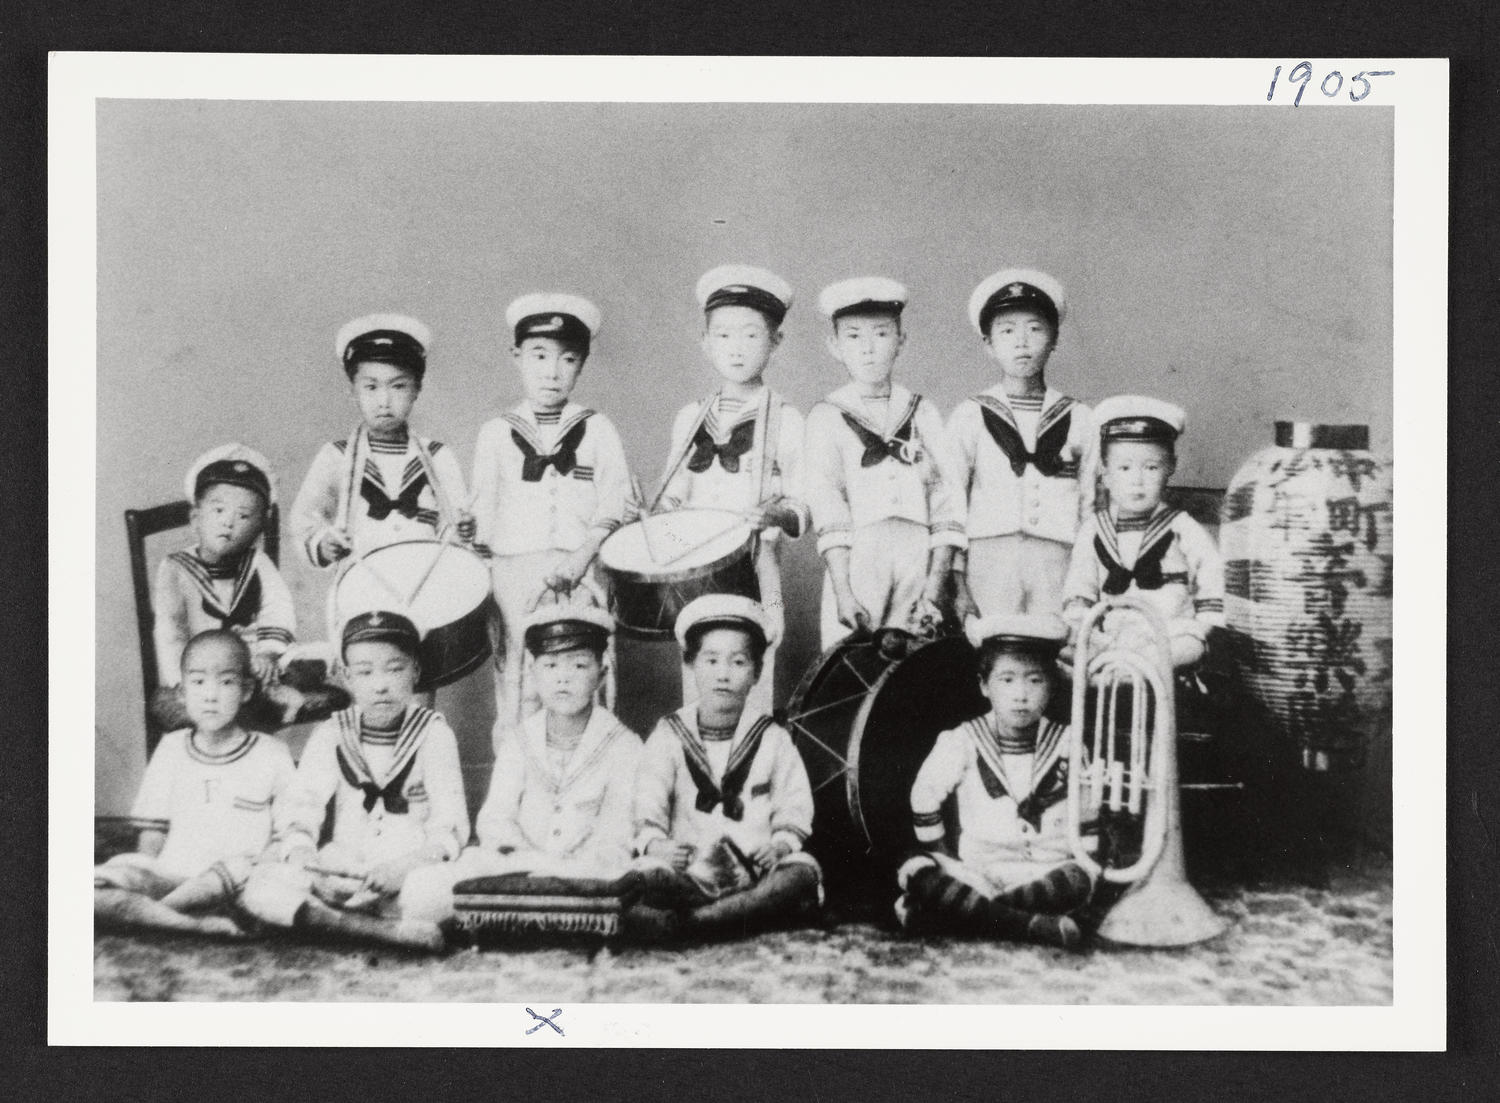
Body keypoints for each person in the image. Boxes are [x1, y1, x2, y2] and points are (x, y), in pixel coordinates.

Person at [400, 599, 641, 925]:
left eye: (579, 666)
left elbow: (617, 831)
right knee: (427, 888)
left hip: (589, 868)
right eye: (550, 666)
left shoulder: (623, 744)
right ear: (533, 672)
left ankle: (547, 911)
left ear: (602, 673)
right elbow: (496, 818)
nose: (563, 679)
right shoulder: (520, 739)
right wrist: (525, 858)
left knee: (639, 880)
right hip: (518, 862)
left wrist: (565, 867)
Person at [240, 611, 467, 952]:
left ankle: (328, 923)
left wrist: (403, 868)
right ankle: (379, 931)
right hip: (342, 869)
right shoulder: (332, 732)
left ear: (415, 671)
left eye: (395, 668)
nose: (381, 684)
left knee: (440, 893)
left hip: (407, 870)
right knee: (261, 883)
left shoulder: (434, 733)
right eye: (365, 672)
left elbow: (450, 827)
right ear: (346, 677)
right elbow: (301, 808)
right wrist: (306, 857)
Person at [469, 294, 632, 736]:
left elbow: (616, 503)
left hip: (580, 572)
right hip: (514, 575)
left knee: (581, 681)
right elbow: (481, 515)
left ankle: (584, 787)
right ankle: (519, 793)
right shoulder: (496, 433)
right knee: (519, 683)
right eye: (539, 356)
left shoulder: (597, 429)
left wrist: (582, 556)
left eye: (568, 359)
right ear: (517, 357)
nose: (552, 371)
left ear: (581, 365)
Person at [654, 265, 808, 713]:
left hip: (760, 569)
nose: (736, 350)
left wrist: (778, 513)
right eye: (723, 336)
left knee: (757, 670)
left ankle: (752, 773)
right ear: (705, 343)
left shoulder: (787, 419)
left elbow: (803, 504)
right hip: (698, 569)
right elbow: (672, 495)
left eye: (751, 336)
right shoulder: (691, 418)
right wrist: (654, 515)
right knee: (698, 679)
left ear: (775, 342)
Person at [626, 595, 821, 939]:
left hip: (757, 869)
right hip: (691, 871)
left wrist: (781, 843)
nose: (723, 675)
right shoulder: (669, 733)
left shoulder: (772, 737)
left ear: (757, 672)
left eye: (738, 662)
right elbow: (647, 800)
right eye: (711, 660)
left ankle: (696, 923)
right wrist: (657, 844)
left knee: (802, 873)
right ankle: (743, 915)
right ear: (691, 665)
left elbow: (794, 803)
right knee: (645, 876)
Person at [894, 614, 1095, 948]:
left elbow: (1087, 819)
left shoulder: (1068, 742)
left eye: (1035, 681)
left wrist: (1088, 864)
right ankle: (1024, 924)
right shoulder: (962, 740)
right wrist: (947, 856)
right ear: (984, 685)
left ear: (1053, 684)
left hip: (1046, 870)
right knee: (914, 866)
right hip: (978, 873)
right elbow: (924, 798)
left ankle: (964, 915)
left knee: (1079, 878)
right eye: (1007, 680)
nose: (1021, 694)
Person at [95, 630, 295, 938]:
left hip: (234, 882)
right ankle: (190, 923)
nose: (211, 695)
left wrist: (264, 868)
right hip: (173, 875)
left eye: (226, 682)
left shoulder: (272, 753)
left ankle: (153, 915)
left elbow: (288, 834)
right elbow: (153, 833)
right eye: (199, 682)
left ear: (246, 690)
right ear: (181, 692)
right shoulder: (172, 747)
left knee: (267, 889)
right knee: (91, 889)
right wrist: (140, 877)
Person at [803, 277, 964, 647]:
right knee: (851, 664)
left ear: (900, 341)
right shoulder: (827, 415)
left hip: (917, 552)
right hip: (860, 553)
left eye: (881, 334)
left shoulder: (922, 411)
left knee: (914, 664)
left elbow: (947, 499)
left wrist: (935, 584)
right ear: (834, 345)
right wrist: (844, 589)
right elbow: (828, 504)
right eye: (854, 336)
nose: (869, 349)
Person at [151, 445, 347, 731]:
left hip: (256, 664)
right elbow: (171, 632)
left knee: (319, 659)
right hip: (204, 672)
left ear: (258, 528)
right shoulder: (175, 569)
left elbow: (277, 609)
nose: (228, 522)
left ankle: (263, 695)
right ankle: (264, 701)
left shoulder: (257, 563)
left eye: (244, 516)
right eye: (218, 510)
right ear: (195, 519)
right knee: (171, 702)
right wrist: (189, 680)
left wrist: (267, 654)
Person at [947, 269, 1095, 620]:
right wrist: (958, 581)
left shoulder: (1081, 418)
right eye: (1007, 331)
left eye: (1035, 329)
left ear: (1055, 338)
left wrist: (1087, 579)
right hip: (988, 560)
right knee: (993, 657)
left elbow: (1091, 507)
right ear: (988, 344)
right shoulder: (970, 415)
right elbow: (951, 502)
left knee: (1056, 656)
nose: (1022, 342)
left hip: (1059, 562)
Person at [289, 312, 474, 588]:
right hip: (363, 583)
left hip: (428, 582)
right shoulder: (336, 457)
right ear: (353, 391)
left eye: (398, 386)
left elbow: (452, 525)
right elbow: (304, 520)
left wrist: (461, 529)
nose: (384, 401)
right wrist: (324, 543)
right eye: (371, 387)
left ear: (417, 390)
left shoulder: (437, 456)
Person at [1061, 396, 1225, 670]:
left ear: (1171, 467)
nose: (1137, 480)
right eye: (1124, 468)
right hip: (1111, 635)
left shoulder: (1181, 527)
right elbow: (1080, 584)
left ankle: (1131, 670)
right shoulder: (1095, 529)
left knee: (1191, 644)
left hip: (1168, 634)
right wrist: (1082, 623)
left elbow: (1211, 577)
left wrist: (1205, 624)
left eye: (1151, 467)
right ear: (1105, 472)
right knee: (1062, 644)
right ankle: (1112, 669)